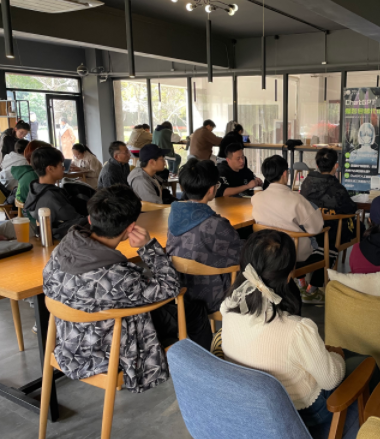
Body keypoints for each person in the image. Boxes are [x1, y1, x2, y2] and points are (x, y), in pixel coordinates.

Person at [43, 184, 212, 394]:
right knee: (193, 309)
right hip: (108, 352)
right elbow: (171, 286)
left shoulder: (61, 250)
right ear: (131, 227)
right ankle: (205, 379)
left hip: (70, 344)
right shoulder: (117, 277)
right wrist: (148, 247)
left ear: (90, 219)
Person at [220, 229, 346, 428]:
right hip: (303, 412)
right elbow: (330, 380)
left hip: (253, 407)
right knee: (363, 363)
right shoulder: (297, 330)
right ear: (288, 276)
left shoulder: (227, 307)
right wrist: (338, 356)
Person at [166, 159, 242, 313]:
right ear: (212, 189)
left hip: (182, 295)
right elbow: (240, 254)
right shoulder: (216, 224)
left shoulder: (174, 216)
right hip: (215, 297)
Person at [252, 155, 326, 304]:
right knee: (323, 245)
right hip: (292, 253)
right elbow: (316, 227)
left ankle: (301, 284)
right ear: (285, 173)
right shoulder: (296, 199)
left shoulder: (256, 198)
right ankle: (311, 290)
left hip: (266, 252)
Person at [300, 147, 357, 268]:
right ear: (336, 166)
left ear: (317, 165)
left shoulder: (306, 183)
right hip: (332, 233)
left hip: (309, 230)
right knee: (359, 226)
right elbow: (351, 209)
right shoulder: (338, 189)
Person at [24, 146, 87, 239]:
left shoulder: (35, 188)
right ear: (50, 169)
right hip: (65, 239)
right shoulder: (51, 197)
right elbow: (79, 222)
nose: (63, 168)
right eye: (61, 165)